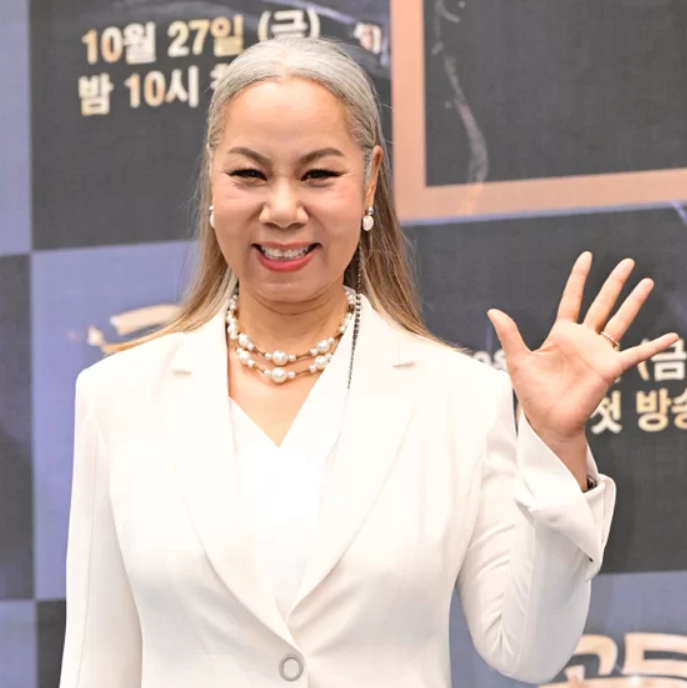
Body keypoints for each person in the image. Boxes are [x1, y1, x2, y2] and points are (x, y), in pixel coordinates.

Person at [58, 36, 678, 688]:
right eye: (250, 174)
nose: (282, 209)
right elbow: (97, 664)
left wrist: (555, 445)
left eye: (318, 175)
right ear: (214, 177)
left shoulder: (461, 398)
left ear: (370, 180)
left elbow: (527, 651)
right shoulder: (118, 396)